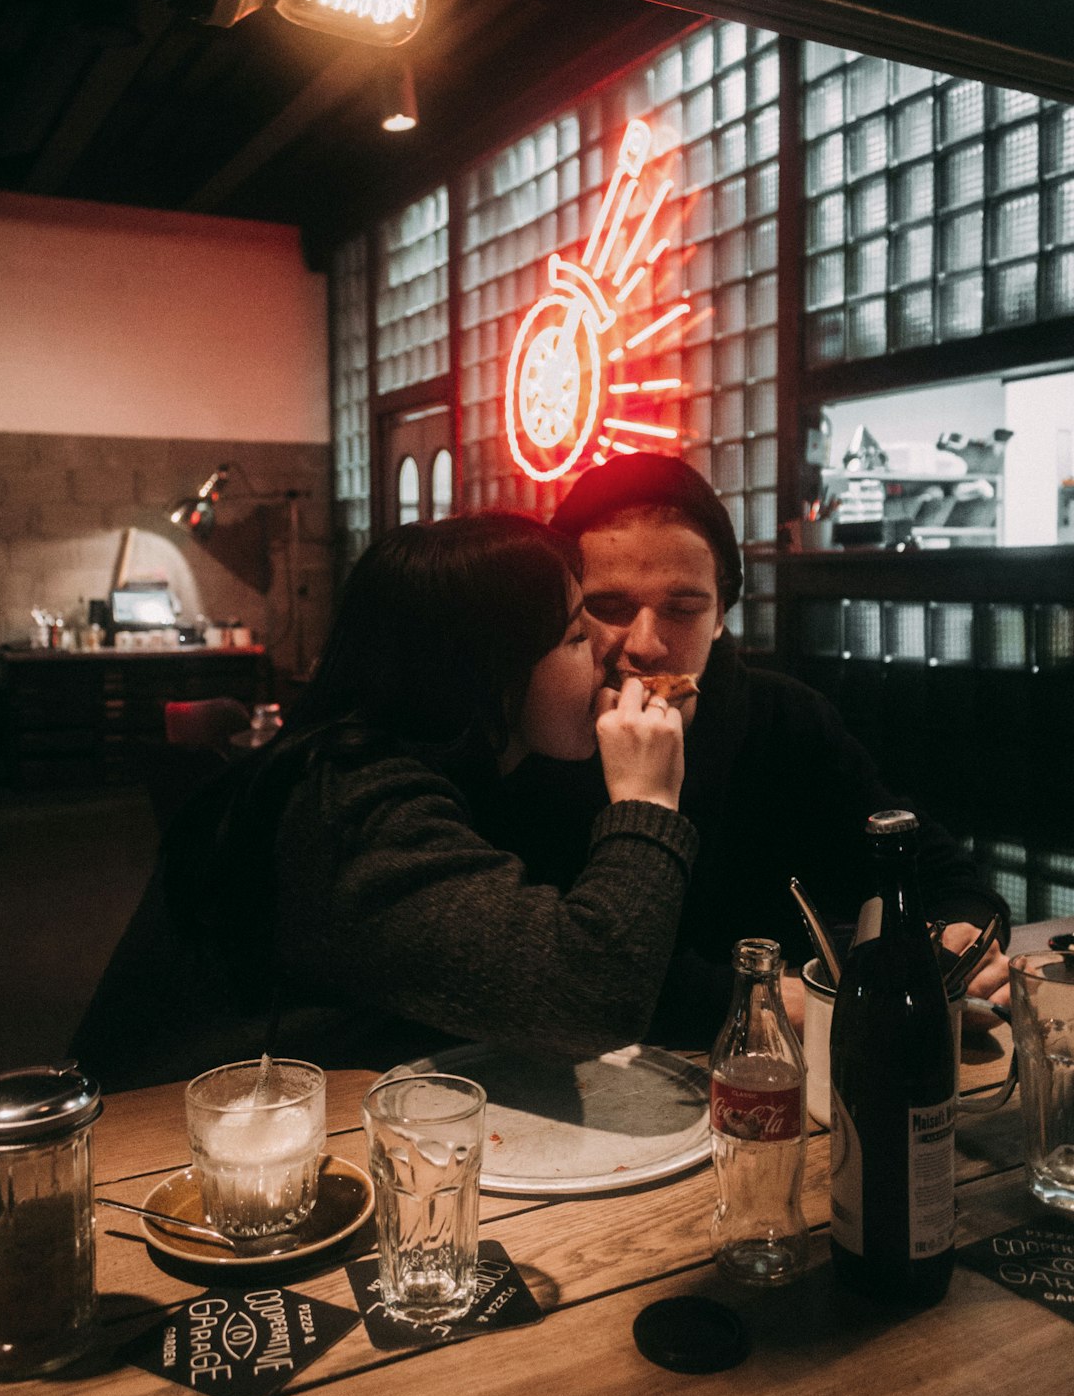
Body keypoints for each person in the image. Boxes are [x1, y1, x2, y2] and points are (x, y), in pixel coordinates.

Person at [71, 512, 698, 1090]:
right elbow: (588, 1000)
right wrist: (647, 801)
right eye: (573, 636)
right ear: (483, 669)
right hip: (169, 1159)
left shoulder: (430, 770)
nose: (614, 656)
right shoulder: (353, 807)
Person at [498, 452, 1011, 1040]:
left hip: (791, 1081)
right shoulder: (537, 743)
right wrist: (764, 997)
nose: (646, 645)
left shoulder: (785, 718)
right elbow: (556, 970)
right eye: (607, 608)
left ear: (720, 618)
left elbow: (929, 865)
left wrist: (964, 930)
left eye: (684, 610)